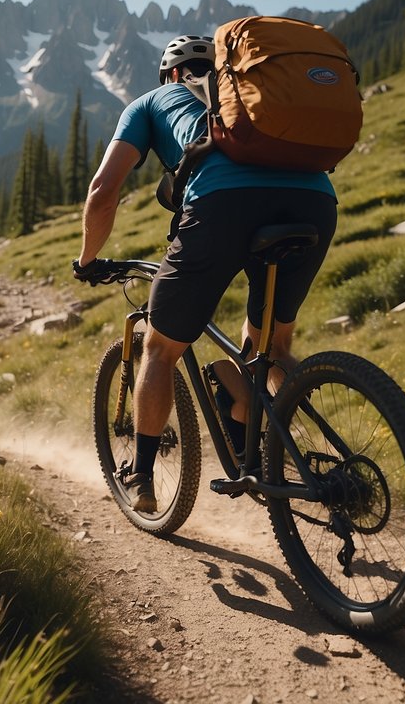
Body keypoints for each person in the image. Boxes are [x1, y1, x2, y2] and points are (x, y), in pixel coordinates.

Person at [73, 34, 338, 514]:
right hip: (315, 202)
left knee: (159, 348)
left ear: (172, 74)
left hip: (223, 205)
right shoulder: (256, 96)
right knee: (272, 348)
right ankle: (325, 461)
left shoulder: (151, 101)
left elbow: (103, 188)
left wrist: (88, 259)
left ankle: (143, 476)